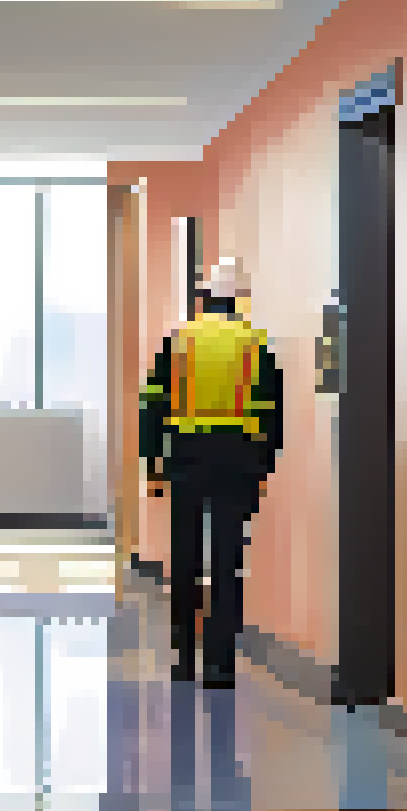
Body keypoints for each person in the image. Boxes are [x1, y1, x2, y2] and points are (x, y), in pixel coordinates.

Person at [138, 257, 286, 689]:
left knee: (185, 558)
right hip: (237, 459)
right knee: (227, 562)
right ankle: (220, 665)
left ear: (203, 296)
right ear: (238, 298)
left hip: (187, 457)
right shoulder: (256, 343)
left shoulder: (178, 341)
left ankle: (183, 657)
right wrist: (264, 465)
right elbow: (273, 413)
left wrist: (153, 463)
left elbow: (154, 405)